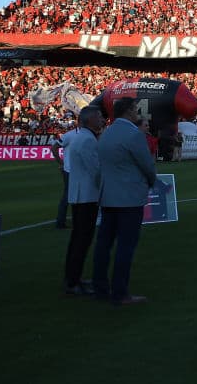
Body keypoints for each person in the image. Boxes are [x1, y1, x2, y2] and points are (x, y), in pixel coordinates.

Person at [92, 98, 157, 305]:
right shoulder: (133, 134)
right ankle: (120, 293)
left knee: (103, 245)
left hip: (107, 197)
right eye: (136, 110)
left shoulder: (106, 133)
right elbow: (147, 165)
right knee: (125, 247)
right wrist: (150, 181)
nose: (138, 113)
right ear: (129, 111)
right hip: (129, 198)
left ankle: (100, 287)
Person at [62, 107, 105, 295]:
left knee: (78, 239)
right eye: (99, 117)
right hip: (86, 196)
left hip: (81, 194)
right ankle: (73, 281)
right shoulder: (87, 139)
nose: (102, 120)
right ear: (90, 120)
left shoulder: (83, 137)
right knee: (82, 239)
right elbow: (95, 170)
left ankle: (73, 278)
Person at [51, 125, 77, 229]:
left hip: (80, 171)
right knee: (67, 196)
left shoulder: (88, 134)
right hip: (70, 171)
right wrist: (61, 163)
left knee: (76, 196)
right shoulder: (69, 135)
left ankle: (66, 221)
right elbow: (54, 147)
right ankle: (60, 221)